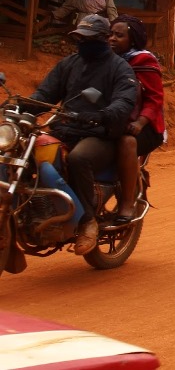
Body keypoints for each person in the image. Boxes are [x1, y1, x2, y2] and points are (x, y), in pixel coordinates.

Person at [28, 15, 137, 255]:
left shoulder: (119, 68)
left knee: (78, 158)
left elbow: (125, 100)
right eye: (79, 38)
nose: (82, 44)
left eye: (87, 39)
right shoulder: (69, 64)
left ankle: (88, 221)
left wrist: (104, 114)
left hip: (101, 134)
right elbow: (44, 95)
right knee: (23, 150)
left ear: (102, 38)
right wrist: (20, 107)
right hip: (65, 129)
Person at [108, 15, 166, 223]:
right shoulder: (105, 59)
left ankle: (127, 201)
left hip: (145, 125)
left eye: (119, 35)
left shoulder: (143, 60)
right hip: (112, 120)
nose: (112, 39)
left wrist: (140, 122)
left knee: (126, 142)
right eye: (111, 34)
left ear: (132, 40)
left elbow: (155, 98)